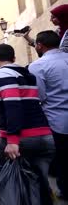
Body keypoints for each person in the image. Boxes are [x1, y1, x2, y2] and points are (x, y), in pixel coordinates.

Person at [0, 44, 55, 205]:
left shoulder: (2, 74)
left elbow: (13, 105)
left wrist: (12, 141)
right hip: (44, 136)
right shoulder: (28, 74)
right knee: (39, 185)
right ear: (13, 58)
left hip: (22, 138)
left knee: (10, 186)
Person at [28, 31, 68, 199]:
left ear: (39, 45)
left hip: (56, 119)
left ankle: (64, 190)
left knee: (62, 159)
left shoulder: (38, 66)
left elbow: (40, 95)